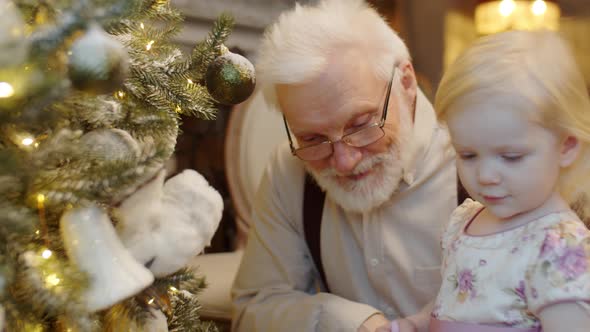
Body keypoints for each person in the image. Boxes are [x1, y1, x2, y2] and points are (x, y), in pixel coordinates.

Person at [230, 1, 458, 331]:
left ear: (405, 84)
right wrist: (346, 322)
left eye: (360, 125)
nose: (344, 161)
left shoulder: (478, 163)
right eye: (312, 139)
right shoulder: (288, 171)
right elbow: (253, 308)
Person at [388, 30, 590, 332]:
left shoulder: (560, 250)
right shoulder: (466, 220)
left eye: (510, 157)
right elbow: (455, 300)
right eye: (467, 155)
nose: (485, 176)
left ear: (566, 146)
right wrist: (414, 324)